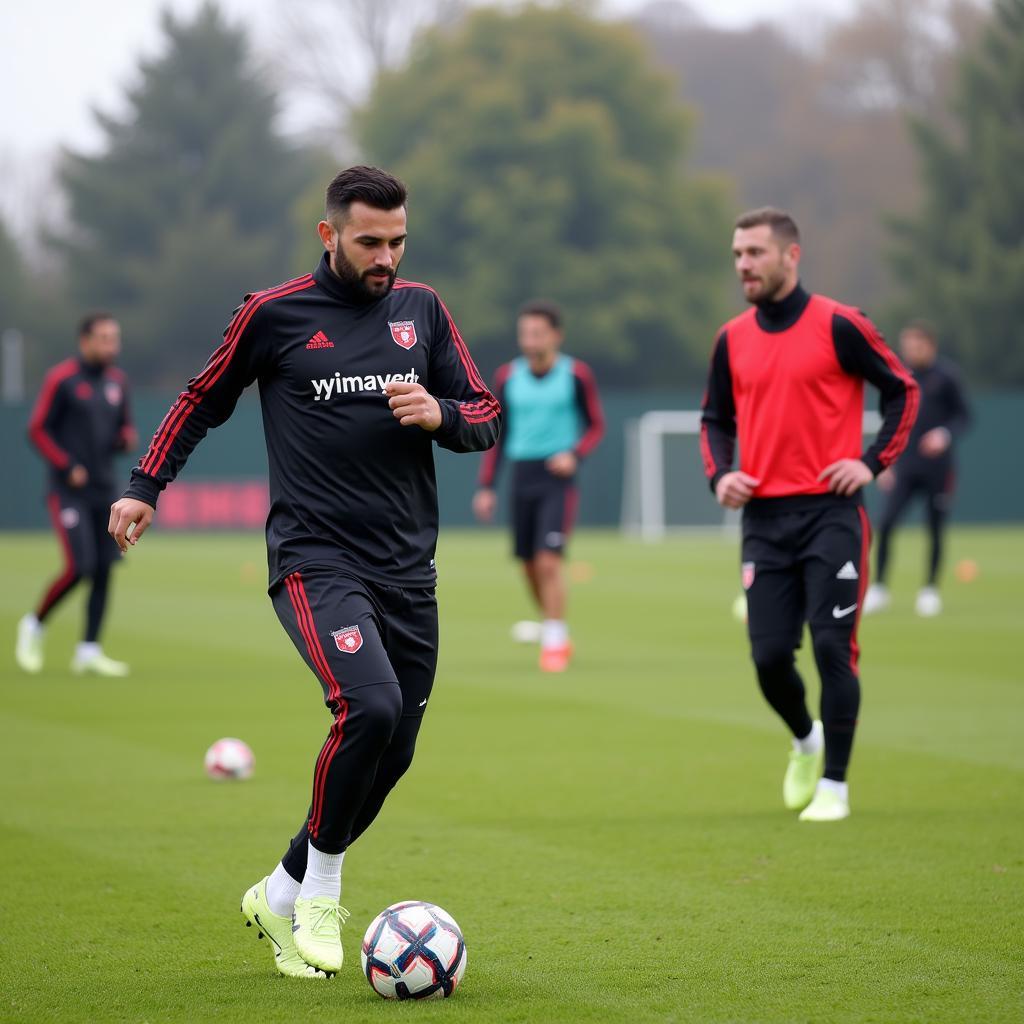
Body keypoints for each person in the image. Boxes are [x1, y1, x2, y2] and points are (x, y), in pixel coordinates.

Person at [108, 166, 500, 979]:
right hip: (314, 560)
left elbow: (486, 414)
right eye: (369, 241)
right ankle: (322, 890)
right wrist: (146, 486)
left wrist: (442, 414)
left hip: (408, 570)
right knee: (370, 704)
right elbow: (200, 399)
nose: (386, 255)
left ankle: (278, 891)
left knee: (392, 752)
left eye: (397, 240)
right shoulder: (274, 313)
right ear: (329, 235)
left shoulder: (422, 310)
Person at [700, 207, 919, 823]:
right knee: (769, 657)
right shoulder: (731, 338)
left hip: (832, 514)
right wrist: (721, 475)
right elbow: (715, 419)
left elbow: (902, 388)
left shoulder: (842, 324)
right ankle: (805, 739)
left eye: (755, 253)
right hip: (764, 521)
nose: (744, 264)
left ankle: (836, 786)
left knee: (831, 648)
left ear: (791, 256)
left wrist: (873, 462)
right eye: (738, 254)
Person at [472, 301, 604, 673]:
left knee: (549, 561)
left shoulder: (576, 375)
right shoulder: (507, 377)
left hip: (557, 479)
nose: (530, 340)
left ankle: (556, 642)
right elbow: (499, 434)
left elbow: (595, 425)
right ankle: (552, 627)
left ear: (555, 335)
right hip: (521, 476)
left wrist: (574, 455)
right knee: (529, 566)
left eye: (538, 333)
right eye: (525, 333)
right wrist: (487, 486)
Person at [16, 314, 136, 677]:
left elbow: (124, 426)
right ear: (85, 341)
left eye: (114, 338)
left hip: (105, 490)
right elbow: (37, 429)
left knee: (103, 570)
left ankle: (88, 650)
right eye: (103, 338)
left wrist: (125, 438)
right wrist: (66, 464)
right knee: (79, 567)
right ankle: (33, 624)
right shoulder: (62, 379)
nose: (110, 346)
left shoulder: (118, 382)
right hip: (67, 491)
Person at [863, 321, 971, 617]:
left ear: (930, 345)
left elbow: (964, 417)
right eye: (907, 346)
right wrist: (883, 464)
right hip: (904, 467)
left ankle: (929, 590)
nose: (911, 351)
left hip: (938, 469)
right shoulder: (898, 376)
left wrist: (944, 434)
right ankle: (880, 587)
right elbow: (888, 422)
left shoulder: (946, 377)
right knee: (885, 524)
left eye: (917, 346)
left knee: (935, 529)